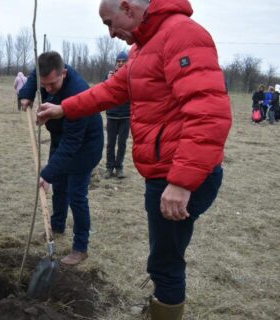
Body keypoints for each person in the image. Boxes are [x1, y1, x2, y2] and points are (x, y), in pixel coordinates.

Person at [36, 0, 232, 318]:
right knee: (164, 255)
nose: (112, 33)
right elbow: (113, 89)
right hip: (164, 171)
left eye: (110, 23)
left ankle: (164, 309)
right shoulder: (144, 47)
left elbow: (208, 111)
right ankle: (161, 304)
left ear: (128, 8)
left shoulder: (181, 35)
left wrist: (181, 182)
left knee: (165, 262)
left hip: (179, 174)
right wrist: (64, 108)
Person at [19, 51, 103, 266]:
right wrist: (26, 94)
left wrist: (47, 174)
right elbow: (32, 78)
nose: (47, 90)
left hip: (84, 147)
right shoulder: (47, 76)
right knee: (60, 186)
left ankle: (80, 247)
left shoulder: (77, 93)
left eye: (52, 85)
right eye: (43, 85)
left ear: (64, 73)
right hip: (60, 138)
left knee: (76, 195)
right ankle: (57, 226)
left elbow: (71, 145)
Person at [104, 51, 130, 179]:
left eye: (123, 61)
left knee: (122, 143)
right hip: (112, 115)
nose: (120, 63)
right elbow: (104, 92)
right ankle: (109, 168)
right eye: (118, 61)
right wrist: (109, 80)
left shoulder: (131, 76)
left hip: (126, 116)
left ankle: (119, 167)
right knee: (110, 144)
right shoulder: (109, 76)